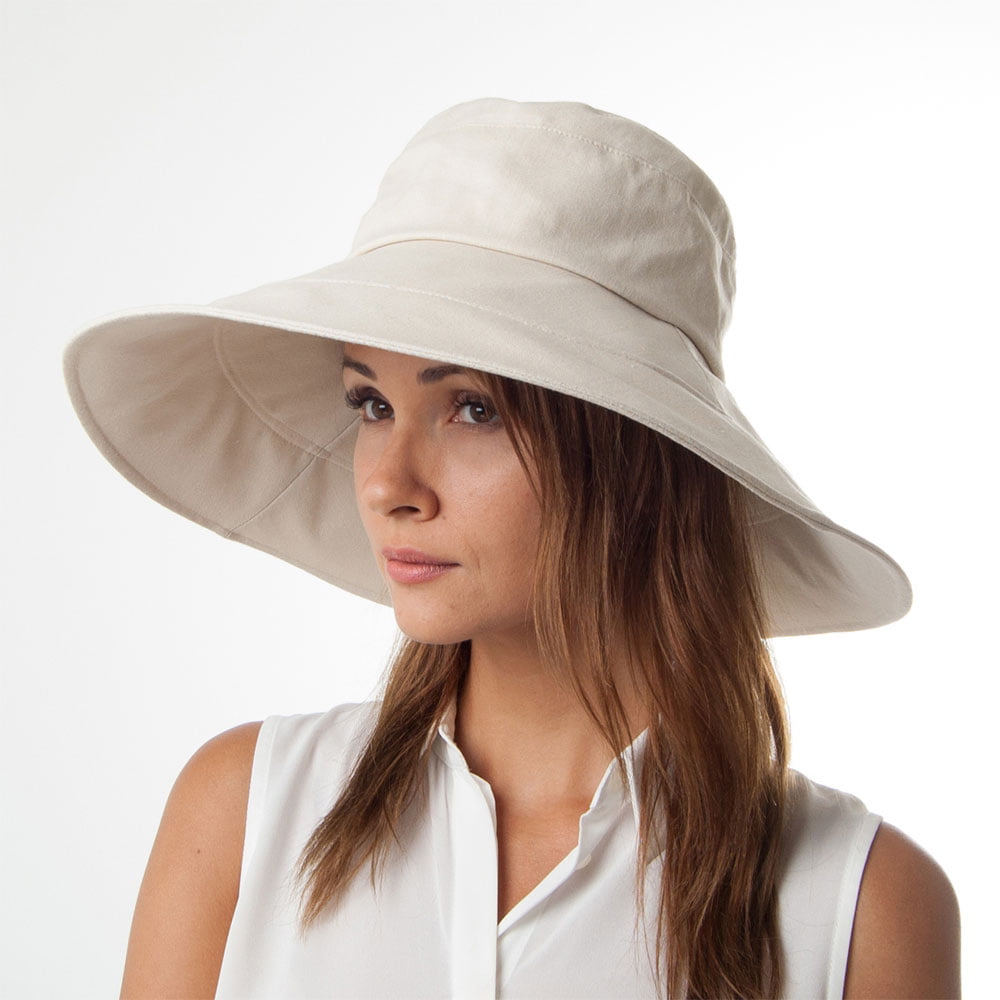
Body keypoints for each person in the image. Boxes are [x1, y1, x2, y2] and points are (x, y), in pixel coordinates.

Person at [63, 98, 960, 999]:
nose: (388, 484)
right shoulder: (246, 814)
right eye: (372, 404)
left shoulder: (859, 906)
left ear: (637, 453)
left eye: (473, 408)